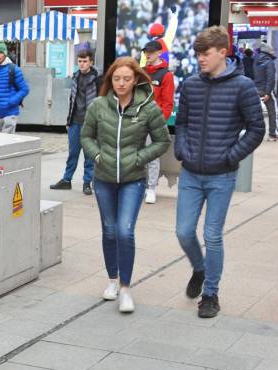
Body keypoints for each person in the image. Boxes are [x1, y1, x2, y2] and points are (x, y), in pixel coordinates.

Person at [175, 26, 264, 318]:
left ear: (223, 52)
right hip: (190, 173)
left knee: (212, 235)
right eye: (198, 54)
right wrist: (181, 150)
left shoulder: (243, 86)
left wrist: (230, 157)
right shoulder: (190, 85)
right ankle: (199, 269)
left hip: (221, 176)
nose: (200, 58)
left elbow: (256, 129)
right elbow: (183, 123)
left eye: (206, 53)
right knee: (184, 232)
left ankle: (210, 294)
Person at [81, 57, 170, 313]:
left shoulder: (148, 108)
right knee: (109, 230)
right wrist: (97, 155)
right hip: (104, 178)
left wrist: (139, 158)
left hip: (133, 179)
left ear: (136, 80)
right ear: (110, 80)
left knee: (124, 231)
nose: (121, 83)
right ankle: (112, 280)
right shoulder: (98, 106)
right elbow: (86, 136)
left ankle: (126, 289)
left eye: (127, 79)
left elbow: (162, 142)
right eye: (117, 79)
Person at [51, 50, 101, 195]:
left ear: (91, 62)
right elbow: (72, 100)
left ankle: (87, 182)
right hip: (75, 122)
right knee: (73, 153)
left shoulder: (97, 79)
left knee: (89, 155)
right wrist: (68, 120)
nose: (82, 64)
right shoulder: (75, 76)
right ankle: (67, 180)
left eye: (85, 61)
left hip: (90, 123)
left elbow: (101, 101)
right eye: (79, 61)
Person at [142, 40, 175, 204]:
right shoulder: (140, 71)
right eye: (146, 51)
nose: (148, 54)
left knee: (152, 157)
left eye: (151, 51)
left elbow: (168, 103)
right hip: (137, 122)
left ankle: (151, 188)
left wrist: (158, 122)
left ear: (159, 52)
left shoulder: (166, 75)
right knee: (137, 156)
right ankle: (139, 186)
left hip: (154, 123)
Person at [0, 41, 29, 134]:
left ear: (5, 54)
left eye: (0, 52)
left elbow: (25, 89)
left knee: (7, 142)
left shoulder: (13, 69)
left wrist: (13, 101)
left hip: (10, 112)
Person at [253, 42, 277, 141]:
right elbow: (270, 78)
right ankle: (272, 134)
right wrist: (268, 92)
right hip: (265, 90)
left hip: (255, 89)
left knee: (253, 112)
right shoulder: (269, 62)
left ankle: (251, 133)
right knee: (272, 112)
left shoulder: (256, 60)